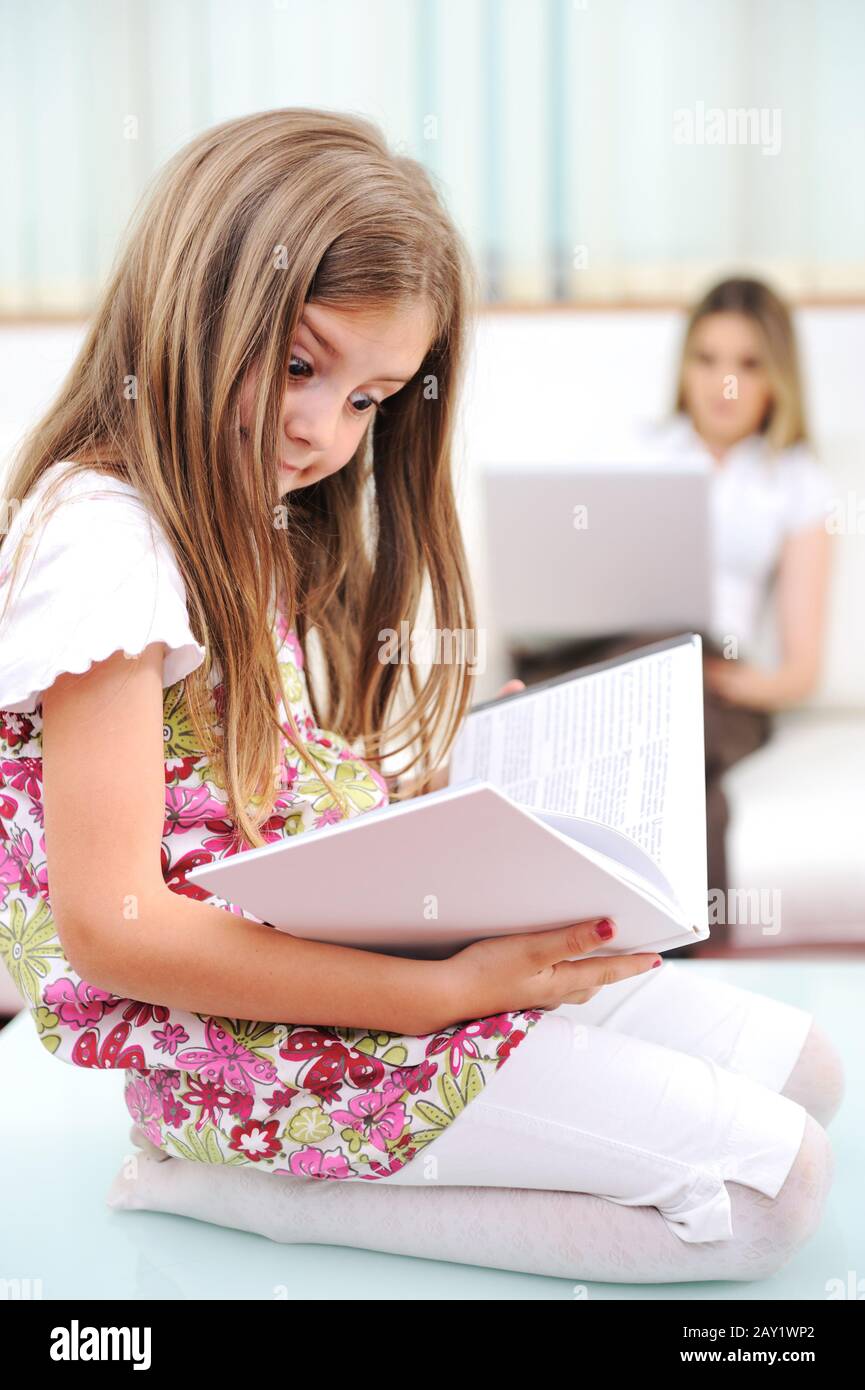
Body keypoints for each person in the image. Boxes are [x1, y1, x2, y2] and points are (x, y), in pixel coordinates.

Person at [0, 116, 842, 1283]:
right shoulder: (105, 539)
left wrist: (464, 803)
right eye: (302, 365)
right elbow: (111, 926)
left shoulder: (241, 511)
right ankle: (255, 1187)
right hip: (242, 1047)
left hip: (337, 980)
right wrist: (433, 997)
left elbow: (249, 804)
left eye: (370, 400)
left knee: (813, 1075)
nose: (324, 432)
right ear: (194, 298)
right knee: (770, 1194)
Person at [512, 277, 835, 943]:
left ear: (778, 379)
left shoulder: (799, 482)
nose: (723, 385)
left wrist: (722, 677)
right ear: (683, 368)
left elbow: (798, 673)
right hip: (616, 654)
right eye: (706, 360)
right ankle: (697, 961)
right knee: (670, 734)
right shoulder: (634, 451)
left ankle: (660, 950)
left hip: (718, 684)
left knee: (673, 714)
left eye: (747, 365)